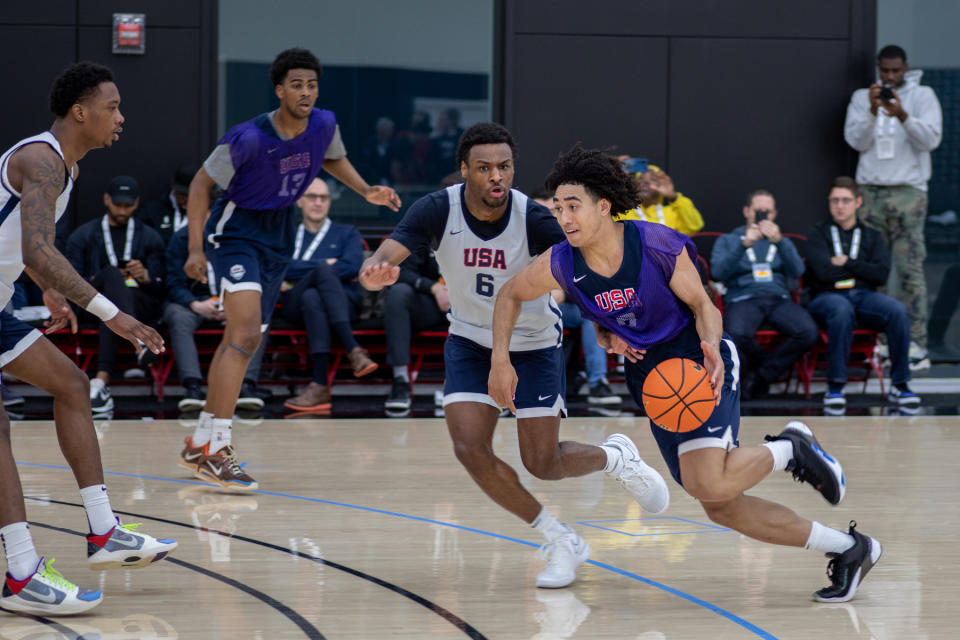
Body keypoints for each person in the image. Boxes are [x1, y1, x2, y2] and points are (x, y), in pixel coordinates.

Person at [489, 146, 881, 603]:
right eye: (558, 208)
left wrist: (712, 346)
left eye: (572, 206)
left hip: (695, 357)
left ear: (602, 206)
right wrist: (504, 359)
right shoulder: (562, 262)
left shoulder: (655, 243)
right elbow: (510, 295)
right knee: (720, 507)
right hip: (651, 378)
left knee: (707, 484)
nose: (564, 217)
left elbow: (702, 306)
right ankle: (852, 549)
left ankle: (788, 449)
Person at [359, 123, 669, 589]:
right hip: (469, 341)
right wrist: (374, 273)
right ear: (465, 171)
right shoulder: (436, 210)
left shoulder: (535, 220)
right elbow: (384, 256)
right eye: (484, 168)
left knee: (542, 463)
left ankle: (614, 458)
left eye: (504, 166)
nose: (496, 176)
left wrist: (606, 326)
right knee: (469, 448)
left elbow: (580, 277)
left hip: (533, 344)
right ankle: (558, 537)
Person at [179, 48, 400, 490]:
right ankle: (216, 447)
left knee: (243, 340)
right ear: (279, 90)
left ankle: (200, 445)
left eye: (312, 84)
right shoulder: (247, 137)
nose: (305, 92)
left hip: (279, 233)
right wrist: (195, 248)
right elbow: (201, 184)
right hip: (238, 230)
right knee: (242, 335)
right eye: (296, 84)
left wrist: (365, 190)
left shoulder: (323, 124)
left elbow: (331, 157)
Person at [0, 61, 176, 616]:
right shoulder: (41, 159)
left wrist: (50, 293)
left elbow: (22, 245)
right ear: (80, 111)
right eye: (112, 106)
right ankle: (22, 573)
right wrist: (111, 314)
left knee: (72, 386)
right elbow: (37, 251)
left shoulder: (64, 169)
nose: (120, 118)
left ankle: (104, 531)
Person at [844, 44, 942, 370]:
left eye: (896, 71)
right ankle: (882, 343)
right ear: (877, 69)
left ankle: (917, 345)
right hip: (871, 191)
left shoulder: (922, 95)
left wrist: (902, 114)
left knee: (911, 268)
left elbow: (931, 140)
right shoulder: (862, 97)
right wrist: (873, 111)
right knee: (877, 271)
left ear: (906, 67)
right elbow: (855, 141)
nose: (890, 77)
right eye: (884, 71)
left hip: (908, 192)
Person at [805, 177, 920, 415]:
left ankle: (900, 385)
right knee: (840, 310)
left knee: (897, 311)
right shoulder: (818, 233)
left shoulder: (872, 236)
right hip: (827, 296)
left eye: (845, 200)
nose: (840, 206)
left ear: (858, 202)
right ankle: (835, 387)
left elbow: (880, 274)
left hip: (863, 296)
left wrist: (847, 262)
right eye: (835, 200)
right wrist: (860, 269)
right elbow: (822, 272)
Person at [65, 175, 166, 413]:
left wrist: (146, 277)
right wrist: (98, 280)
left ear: (137, 202)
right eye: (117, 204)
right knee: (110, 278)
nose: (122, 210)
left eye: (127, 205)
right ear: (106, 199)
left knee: (109, 309)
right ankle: (139, 342)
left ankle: (100, 381)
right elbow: (69, 279)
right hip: (89, 303)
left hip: (139, 303)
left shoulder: (149, 236)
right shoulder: (84, 235)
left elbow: (162, 287)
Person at [710, 189, 818, 399]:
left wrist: (780, 242)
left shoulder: (780, 240)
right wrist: (743, 245)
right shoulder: (729, 239)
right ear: (746, 211)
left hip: (778, 299)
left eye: (766, 212)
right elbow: (717, 273)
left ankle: (760, 376)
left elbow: (798, 271)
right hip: (743, 298)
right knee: (736, 334)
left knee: (808, 331)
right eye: (757, 211)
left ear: (774, 214)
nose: (762, 215)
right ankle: (765, 367)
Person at [281, 178, 377, 411]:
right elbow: (280, 268)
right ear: (299, 202)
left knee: (313, 296)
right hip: (292, 306)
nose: (318, 202)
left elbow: (353, 265)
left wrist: (303, 267)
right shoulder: (287, 233)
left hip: (343, 303)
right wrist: (324, 265)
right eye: (312, 197)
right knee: (322, 273)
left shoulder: (347, 233)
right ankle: (353, 348)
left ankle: (320, 384)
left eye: (323, 198)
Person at [163, 224, 267, 411]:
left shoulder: (242, 235)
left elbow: (257, 278)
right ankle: (192, 387)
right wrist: (194, 304)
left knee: (255, 318)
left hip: (233, 300)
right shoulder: (182, 238)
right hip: (196, 301)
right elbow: (172, 282)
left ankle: (246, 385)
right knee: (178, 316)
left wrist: (238, 306)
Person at [531, 189, 618, 405]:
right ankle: (521, 386)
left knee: (592, 314)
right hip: (526, 306)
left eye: (552, 211)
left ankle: (598, 383)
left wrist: (564, 292)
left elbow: (591, 281)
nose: (549, 218)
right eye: (541, 212)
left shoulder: (575, 238)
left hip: (564, 305)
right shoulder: (521, 239)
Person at [382, 245, 449, 412]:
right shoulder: (427, 228)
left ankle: (488, 383)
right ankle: (401, 380)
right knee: (398, 293)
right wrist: (433, 287)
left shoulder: (480, 226)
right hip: (432, 304)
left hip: (472, 300)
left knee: (497, 295)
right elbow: (401, 272)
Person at [615, 164, 703, 236]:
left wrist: (674, 197)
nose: (646, 182)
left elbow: (694, 226)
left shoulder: (671, 213)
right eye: (641, 178)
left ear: (661, 185)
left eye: (653, 179)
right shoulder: (623, 212)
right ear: (634, 184)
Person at [140, 164, 196, 244]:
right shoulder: (153, 211)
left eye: (191, 194)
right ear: (173, 187)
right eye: (183, 194)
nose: (187, 199)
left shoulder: (208, 213)